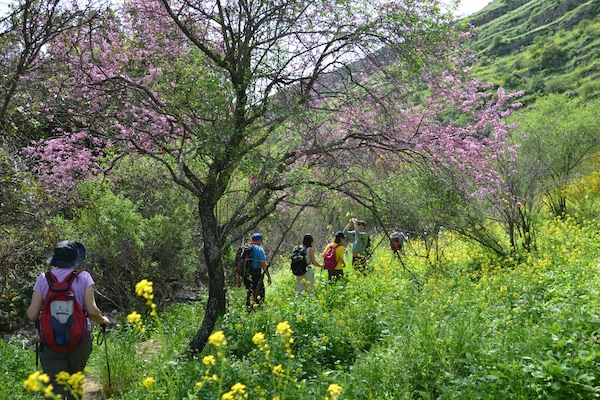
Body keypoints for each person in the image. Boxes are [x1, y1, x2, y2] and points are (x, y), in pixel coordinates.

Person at [26, 240, 109, 399]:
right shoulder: (84, 277)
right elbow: (92, 311)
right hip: (79, 339)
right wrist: (103, 320)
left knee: (54, 387)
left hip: (49, 340)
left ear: (55, 259)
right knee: (74, 383)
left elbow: (31, 314)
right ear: (75, 259)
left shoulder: (44, 278)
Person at [243, 233, 272, 312]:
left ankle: (249, 310)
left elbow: (239, 263)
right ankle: (258, 311)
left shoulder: (245, 249)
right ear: (259, 240)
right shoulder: (259, 249)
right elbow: (263, 264)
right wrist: (269, 277)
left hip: (245, 275)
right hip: (256, 274)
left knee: (249, 292)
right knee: (260, 294)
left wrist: (238, 277)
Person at [295, 234, 323, 298]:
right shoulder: (310, 249)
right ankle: (310, 303)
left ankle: (298, 304)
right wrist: (321, 266)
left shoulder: (298, 248)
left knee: (299, 290)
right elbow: (314, 262)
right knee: (310, 289)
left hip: (298, 271)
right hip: (307, 271)